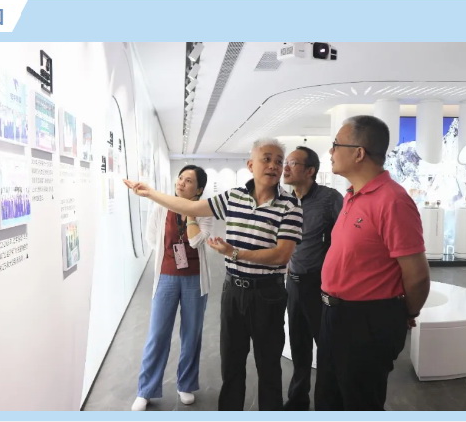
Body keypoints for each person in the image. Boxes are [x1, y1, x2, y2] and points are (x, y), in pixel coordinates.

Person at [125, 138, 303, 411]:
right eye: (266, 159)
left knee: (268, 365)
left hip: (267, 292)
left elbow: (282, 255)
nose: (273, 166)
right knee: (230, 364)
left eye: (279, 161)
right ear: (251, 165)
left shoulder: (290, 205)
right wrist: (149, 193)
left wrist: (234, 253)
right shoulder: (233, 197)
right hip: (232, 290)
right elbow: (188, 209)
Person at [315, 115, 430, 410]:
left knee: (360, 402)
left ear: (358, 153)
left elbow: (417, 275)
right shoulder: (352, 196)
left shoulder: (393, 200)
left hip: (366, 321)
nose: (331, 151)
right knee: (328, 399)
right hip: (333, 314)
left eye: (336, 145)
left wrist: (405, 312)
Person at [131, 165, 214, 411]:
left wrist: (190, 212)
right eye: (180, 178)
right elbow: (152, 237)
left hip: (195, 279)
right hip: (166, 277)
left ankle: (186, 384)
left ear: (198, 189)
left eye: (188, 181)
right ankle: (146, 390)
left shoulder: (204, 211)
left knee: (191, 334)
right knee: (157, 334)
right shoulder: (161, 206)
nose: (181, 183)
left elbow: (196, 240)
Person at [281, 146, 343, 411]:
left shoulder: (329, 199)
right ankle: (297, 401)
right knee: (298, 345)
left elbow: (344, 241)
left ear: (310, 171)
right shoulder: (284, 200)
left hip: (319, 284)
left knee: (327, 348)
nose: (285, 167)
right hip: (292, 282)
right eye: (286, 162)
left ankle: (328, 406)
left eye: (293, 163)